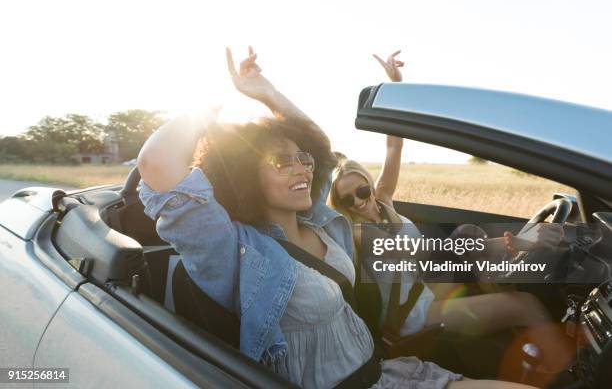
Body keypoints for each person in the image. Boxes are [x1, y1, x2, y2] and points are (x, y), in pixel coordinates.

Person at [138, 46, 538, 388]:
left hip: (387, 373)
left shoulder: (324, 225)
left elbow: (322, 146)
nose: (302, 169)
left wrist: (266, 92)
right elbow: (156, 163)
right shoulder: (236, 251)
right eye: (282, 161)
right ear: (245, 174)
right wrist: (208, 108)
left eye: (303, 159)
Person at [328, 51, 574, 373]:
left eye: (361, 191)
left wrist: (396, 87)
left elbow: (394, 146)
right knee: (526, 304)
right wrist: (519, 242)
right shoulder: (358, 233)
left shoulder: (383, 199)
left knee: (468, 233)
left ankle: (523, 345)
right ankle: (566, 373)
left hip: (428, 290)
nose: (358, 203)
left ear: (370, 186)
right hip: (413, 314)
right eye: (347, 200)